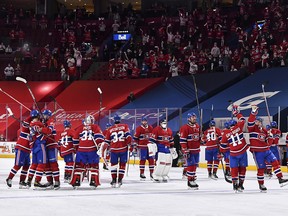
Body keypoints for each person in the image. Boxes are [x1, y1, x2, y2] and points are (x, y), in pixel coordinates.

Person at [247, 105, 288, 192]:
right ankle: (261, 184)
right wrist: (253, 112)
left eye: (258, 121)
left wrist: (270, 137)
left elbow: (269, 143)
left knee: (275, 162)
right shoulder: (252, 128)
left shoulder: (265, 130)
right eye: (256, 121)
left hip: (266, 150)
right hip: (258, 152)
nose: (257, 122)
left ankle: (280, 179)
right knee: (261, 169)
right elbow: (250, 121)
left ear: (261, 122)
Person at [70, 115, 104, 189]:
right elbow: (99, 138)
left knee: (79, 167)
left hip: (81, 150)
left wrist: (76, 149)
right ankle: (93, 181)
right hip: (92, 150)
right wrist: (99, 146)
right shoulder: (95, 127)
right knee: (93, 167)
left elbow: (75, 141)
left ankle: (76, 181)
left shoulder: (80, 128)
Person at [221, 105, 249, 192]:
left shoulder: (225, 134)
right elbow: (242, 120)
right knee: (242, 168)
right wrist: (237, 113)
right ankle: (241, 185)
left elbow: (223, 147)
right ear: (235, 124)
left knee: (234, 169)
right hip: (242, 152)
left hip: (233, 154)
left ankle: (234, 185)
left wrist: (221, 152)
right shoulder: (238, 127)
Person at [101, 114, 132, 187]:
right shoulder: (125, 126)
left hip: (114, 149)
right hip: (123, 149)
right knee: (122, 165)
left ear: (114, 121)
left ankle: (114, 180)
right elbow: (128, 136)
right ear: (120, 120)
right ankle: (120, 180)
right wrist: (130, 144)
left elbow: (107, 142)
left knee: (113, 165)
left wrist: (103, 150)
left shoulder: (110, 129)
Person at [6, 110, 35, 188]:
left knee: (26, 165)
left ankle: (22, 182)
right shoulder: (26, 125)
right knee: (18, 165)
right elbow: (26, 122)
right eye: (35, 118)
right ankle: (9, 178)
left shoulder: (34, 126)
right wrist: (31, 117)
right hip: (21, 148)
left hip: (27, 150)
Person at [26, 110, 53, 189]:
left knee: (34, 164)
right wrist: (48, 127)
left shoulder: (31, 124)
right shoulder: (38, 123)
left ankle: (29, 180)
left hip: (34, 145)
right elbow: (47, 131)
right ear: (38, 116)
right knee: (42, 163)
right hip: (40, 144)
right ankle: (37, 181)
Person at [179, 113, 201, 189]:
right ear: (188, 118)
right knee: (191, 165)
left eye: (195, 117)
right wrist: (185, 150)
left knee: (195, 165)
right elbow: (182, 141)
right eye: (192, 117)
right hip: (189, 150)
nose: (194, 118)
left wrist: (202, 138)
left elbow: (198, 138)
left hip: (196, 150)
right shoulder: (184, 128)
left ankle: (193, 178)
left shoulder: (198, 126)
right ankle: (189, 181)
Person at [42, 109, 60, 189]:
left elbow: (49, 130)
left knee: (53, 163)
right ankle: (50, 181)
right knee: (46, 164)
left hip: (52, 145)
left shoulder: (51, 121)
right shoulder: (43, 122)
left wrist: (42, 128)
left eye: (45, 115)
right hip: (45, 145)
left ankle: (57, 181)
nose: (44, 116)